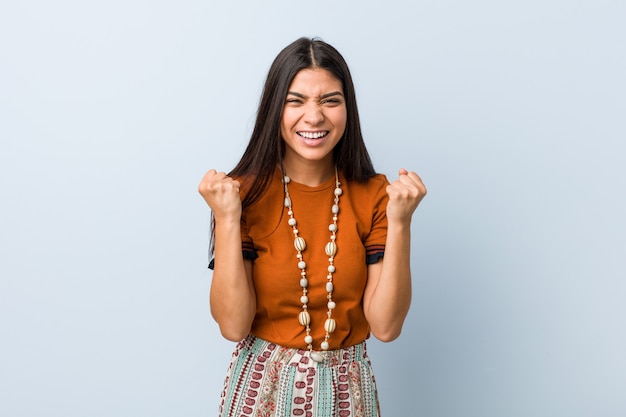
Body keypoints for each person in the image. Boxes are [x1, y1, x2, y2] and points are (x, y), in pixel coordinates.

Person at [198, 37, 426, 417]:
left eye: (330, 100)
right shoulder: (240, 195)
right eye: (296, 100)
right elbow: (234, 326)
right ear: (275, 108)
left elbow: (386, 327)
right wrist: (226, 217)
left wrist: (401, 222)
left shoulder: (375, 196)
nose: (314, 116)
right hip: (262, 392)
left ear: (347, 109)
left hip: (348, 395)